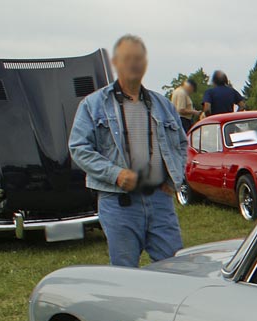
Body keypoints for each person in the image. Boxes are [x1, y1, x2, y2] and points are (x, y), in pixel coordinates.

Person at [68, 34, 185, 267]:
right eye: (127, 58)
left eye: (139, 58)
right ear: (116, 63)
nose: (134, 63)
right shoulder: (93, 105)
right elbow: (79, 148)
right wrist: (116, 175)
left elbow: (182, 144)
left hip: (160, 201)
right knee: (125, 273)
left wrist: (173, 180)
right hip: (119, 204)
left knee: (176, 268)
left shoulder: (163, 105)